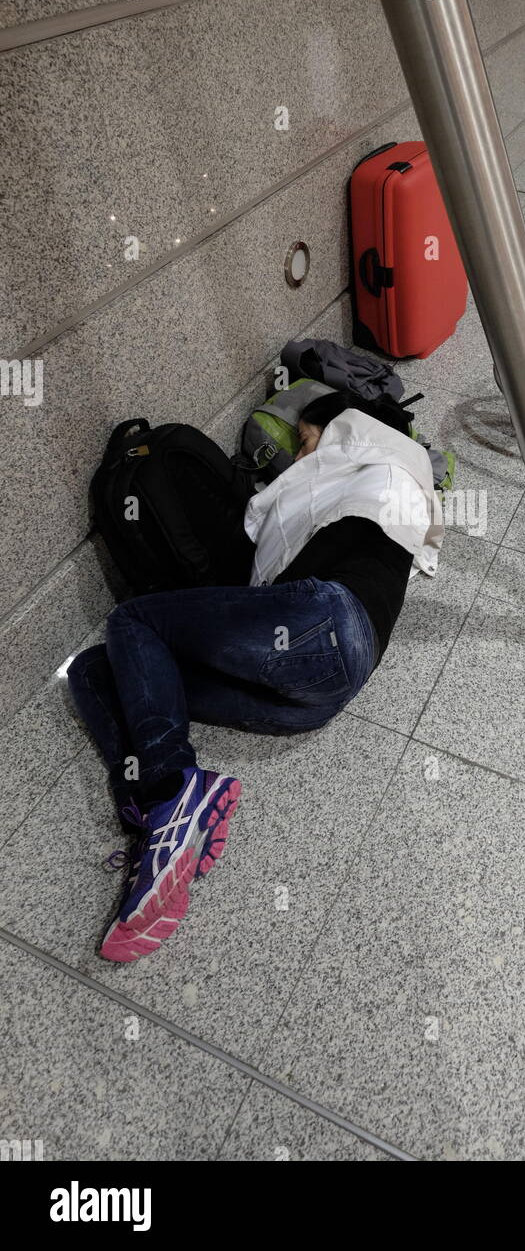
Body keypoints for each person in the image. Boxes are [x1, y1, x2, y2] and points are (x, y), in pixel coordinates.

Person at [68, 390, 443, 964]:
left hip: (322, 624)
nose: (299, 460)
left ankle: (172, 791)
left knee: (133, 619)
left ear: (346, 430)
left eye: (307, 441)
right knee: (95, 670)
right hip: (318, 693)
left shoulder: (381, 468)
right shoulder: (383, 490)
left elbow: (275, 526)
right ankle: (161, 824)